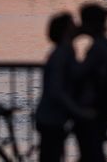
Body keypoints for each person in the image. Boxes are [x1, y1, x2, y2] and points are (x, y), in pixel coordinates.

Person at [35, 12, 90, 162]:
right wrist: (76, 109)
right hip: (51, 118)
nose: (76, 26)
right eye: (72, 24)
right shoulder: (62, 54)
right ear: (66, 30)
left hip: (55, 117)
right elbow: (56, 89)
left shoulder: (66, 50)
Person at [74, 3, 107, 162]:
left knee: (91, 153)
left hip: (92, 110)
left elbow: (79, 73)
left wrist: (70, 39)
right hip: (99, 109)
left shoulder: (98, 48)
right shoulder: (104, 44)